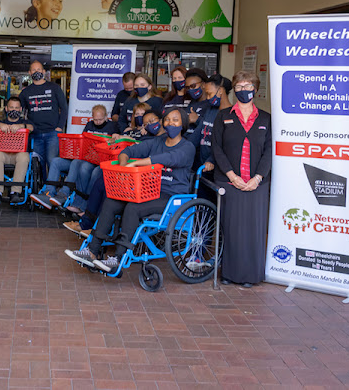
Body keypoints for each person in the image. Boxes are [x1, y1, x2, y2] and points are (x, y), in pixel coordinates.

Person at [66, 108, 195, 273]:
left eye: (175, 120)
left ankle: (118, 258)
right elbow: (128, 150)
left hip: (171, 197)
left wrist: (139, 163)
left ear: (183, 124)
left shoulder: (188, 147)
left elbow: (170, 159)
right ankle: (92, 250)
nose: (170, 123)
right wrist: (124, 162)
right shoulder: (157, 142)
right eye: (167, 119)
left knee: (133, 208)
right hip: (148, 191)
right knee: (112, 201)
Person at [212, 70, 272, 288]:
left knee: (253, 229)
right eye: (239, 86)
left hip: (257, 184)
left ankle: (251, 275)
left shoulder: (266, 118)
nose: (244, 90)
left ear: (255, 89)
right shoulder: (224, 116)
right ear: (234, 89)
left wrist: (257, 178)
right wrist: (231, 175)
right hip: (229, 182)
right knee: (232, 228)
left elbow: (269, 151)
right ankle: (229, 273)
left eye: (248, 86)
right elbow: (216, 148)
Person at [31, 104, 118, 210]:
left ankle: (64, 194)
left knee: (77, 162)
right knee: (56, 161)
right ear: (92, 117)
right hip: (84, 157)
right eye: (95, 120)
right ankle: (48, 192)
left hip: (95, 161)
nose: (98, 122)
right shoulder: (89, 125)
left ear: (106, 117)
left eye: (100, 119)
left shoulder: (113, 127)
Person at [19, 60, 68, 178]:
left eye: (39, 69)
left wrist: (59, 127)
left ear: (44, 72)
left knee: (52, 162)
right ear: (29, 73)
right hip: (35, 134)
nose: (37, 72)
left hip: (53, 133)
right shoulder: (25, 92)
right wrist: (26, 126)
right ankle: (41, 189)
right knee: (38, 165)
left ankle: (51, 189)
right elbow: (18, 110)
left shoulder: (54, 87)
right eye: (34, 70)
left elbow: (64, 108)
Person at [0, 96, 34, 204]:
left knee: (24, 156)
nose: (14, 110)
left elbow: (32, 127)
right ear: (6, 109)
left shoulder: (24, 122)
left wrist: (21, 126)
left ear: (21, 109)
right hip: (4, 155)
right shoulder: (1, 122)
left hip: (18, 155)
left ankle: (15, 192)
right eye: (11, 107)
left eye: (16, 108)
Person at [186, 74, 232, 171]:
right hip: (203, 166)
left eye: (209, 94)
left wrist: (211, 160)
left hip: (218, 169)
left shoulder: (232, 115)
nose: (207, 98)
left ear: (220, 91)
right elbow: (197, 135)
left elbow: (226, 145)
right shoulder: (210, 111)